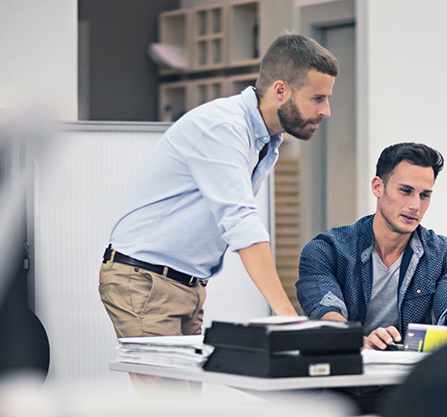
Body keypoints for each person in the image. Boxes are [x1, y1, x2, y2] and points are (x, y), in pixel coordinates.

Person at [99, 34, 338, 340]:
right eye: (318, 98)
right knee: (164, 390)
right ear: (281, 90)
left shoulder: (265, 141)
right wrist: (288, 317)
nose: (326, 110)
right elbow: (240, 222)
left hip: (187, 285)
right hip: (146, 279)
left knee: (184, 388)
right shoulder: (223, 128)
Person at [296, 142, 447, 350]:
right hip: (348, 376)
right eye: (405, 191)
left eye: (424, 195)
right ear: (377, 187)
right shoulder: (327, 250)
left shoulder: (445, 255)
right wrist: (360, 342)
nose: (415, 206)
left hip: (416, 379)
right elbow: (327, 315)